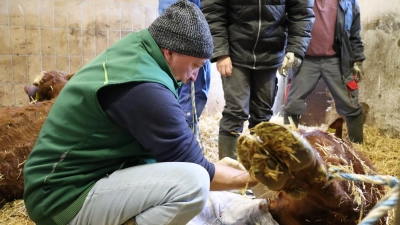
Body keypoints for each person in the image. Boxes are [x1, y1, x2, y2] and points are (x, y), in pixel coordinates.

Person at [23, 1, 257, 225]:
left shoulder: (141, 49)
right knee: (194, 184)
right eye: (195, 66)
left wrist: (218, 168)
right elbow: (196, 168)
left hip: (71, 180)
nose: (195, 76)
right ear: (169, 53)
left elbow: (177, 154)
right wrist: (253, 179)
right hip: (60, 200)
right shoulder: (145, 89)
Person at [201, 0, 315, 159]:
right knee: (235, 112)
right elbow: (213, 11)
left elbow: (301, 13)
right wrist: (221, 52)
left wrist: (295, 49)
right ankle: (229, 171)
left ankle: (259, 170)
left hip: (271, 52)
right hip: (236, 52)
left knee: (262, 116)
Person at [282, 0, 366, 144]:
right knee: (292, 104)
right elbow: (286, 24)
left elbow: (354, 35)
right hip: (305, 60)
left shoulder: (348, 3)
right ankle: (287, 146)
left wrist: (358, 61)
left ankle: (358, 148)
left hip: (336, 60)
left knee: (350, 105)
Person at [158, 0, 211, 133]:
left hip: (201, 35)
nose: (194, 75)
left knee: (197, 88)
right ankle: (183, 135)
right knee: (186, 93)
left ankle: (188, 133)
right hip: (187, 39)